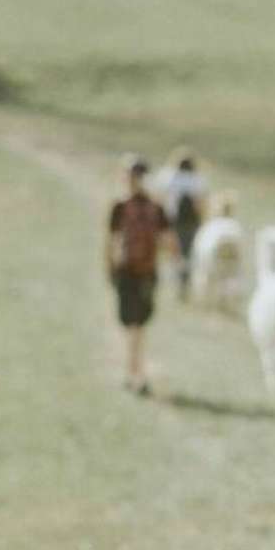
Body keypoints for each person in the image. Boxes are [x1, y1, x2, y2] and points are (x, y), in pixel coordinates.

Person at [105, 155, 171, 395]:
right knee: (139, 327)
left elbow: (111, 242)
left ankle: (132, 372)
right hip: (147, 273)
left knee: (131, 326)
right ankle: (137, 372)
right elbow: (168, 242)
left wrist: (109, 268)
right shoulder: (157, 208)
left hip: (125, 271)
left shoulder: (119, 206)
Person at [159, 147, 208, 301]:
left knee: (174, 253)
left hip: (173, 221)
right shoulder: (197, 180)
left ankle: (176, 282)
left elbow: (161, 196)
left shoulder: (170, 177)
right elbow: (200, 204)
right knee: (187, 253)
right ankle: (184, 284)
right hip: (191, 223)